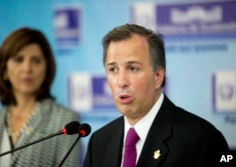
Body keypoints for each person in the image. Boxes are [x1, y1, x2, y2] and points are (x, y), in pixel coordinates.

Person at [83, 24, 230, 167]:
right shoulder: (99, 142)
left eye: (133, 68)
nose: (121, 82)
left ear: (158, 76)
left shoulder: (202, 140)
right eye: (113, 69)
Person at [0, 27, 81, 167]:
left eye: (36, 60)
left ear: (47, 69)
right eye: (19, 59)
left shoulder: (65, 120)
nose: (27, 68)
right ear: (4, 69)